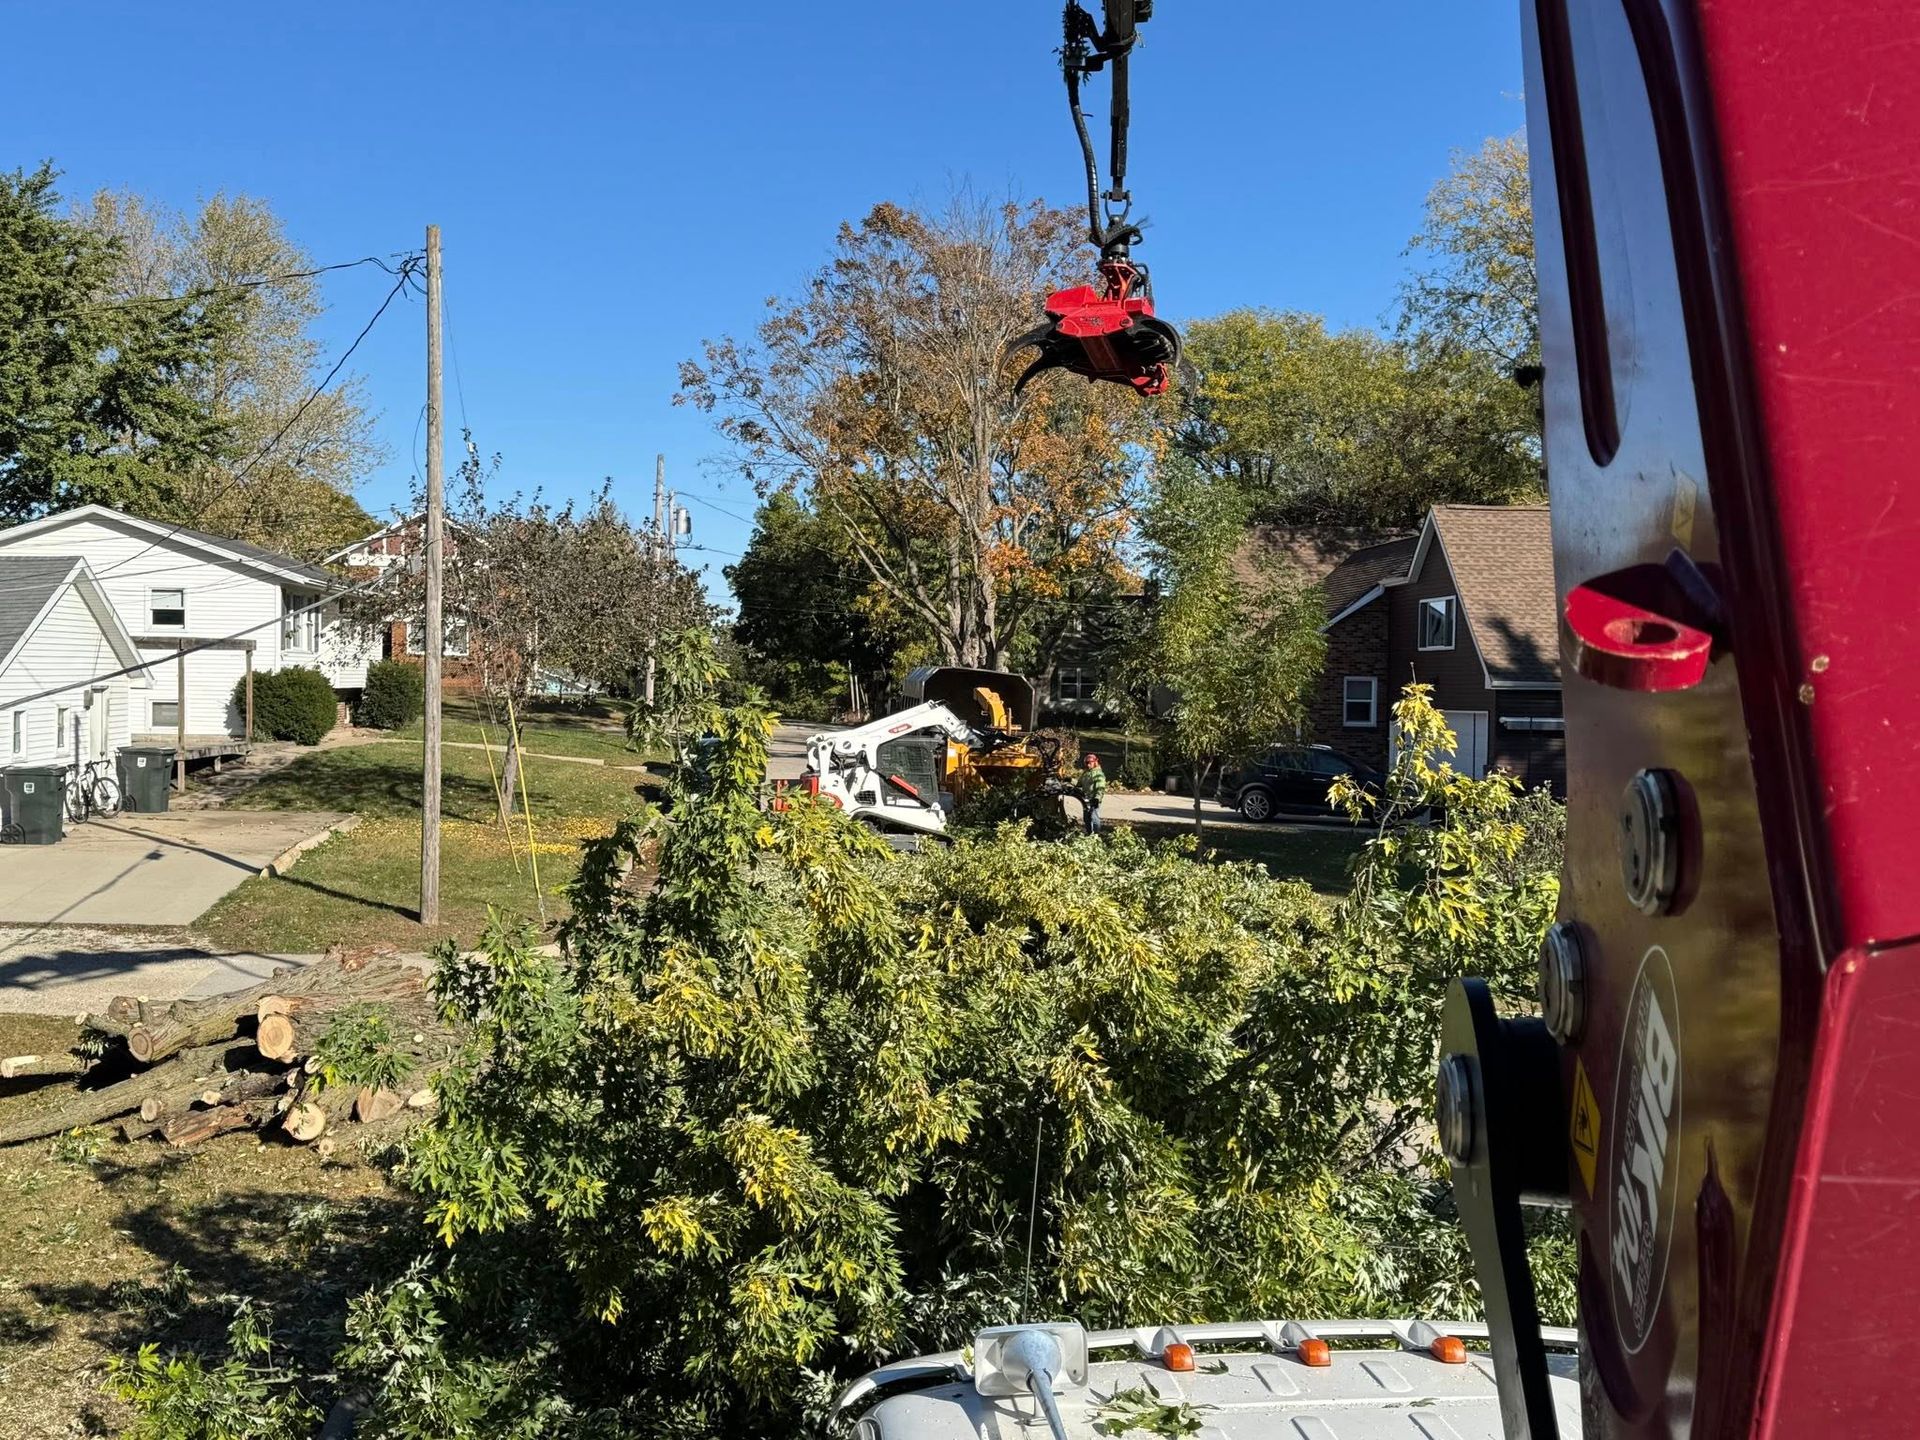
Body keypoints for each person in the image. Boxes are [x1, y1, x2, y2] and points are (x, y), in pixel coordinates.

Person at [1077, 753, 1107, 835]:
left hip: (1094, 799)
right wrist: (1069, 780)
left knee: (1093, 816)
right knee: (1086, 817)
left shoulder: (1098, 774)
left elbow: (1100, 788)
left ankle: (1096, 834)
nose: (1088, 764)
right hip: (1086, 799)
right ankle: (1089, 833)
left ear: (1095, 762)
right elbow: (1079, 784)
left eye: (1090, 762)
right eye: (1086, 763)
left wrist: (1097, 798)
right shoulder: (1086, 773)